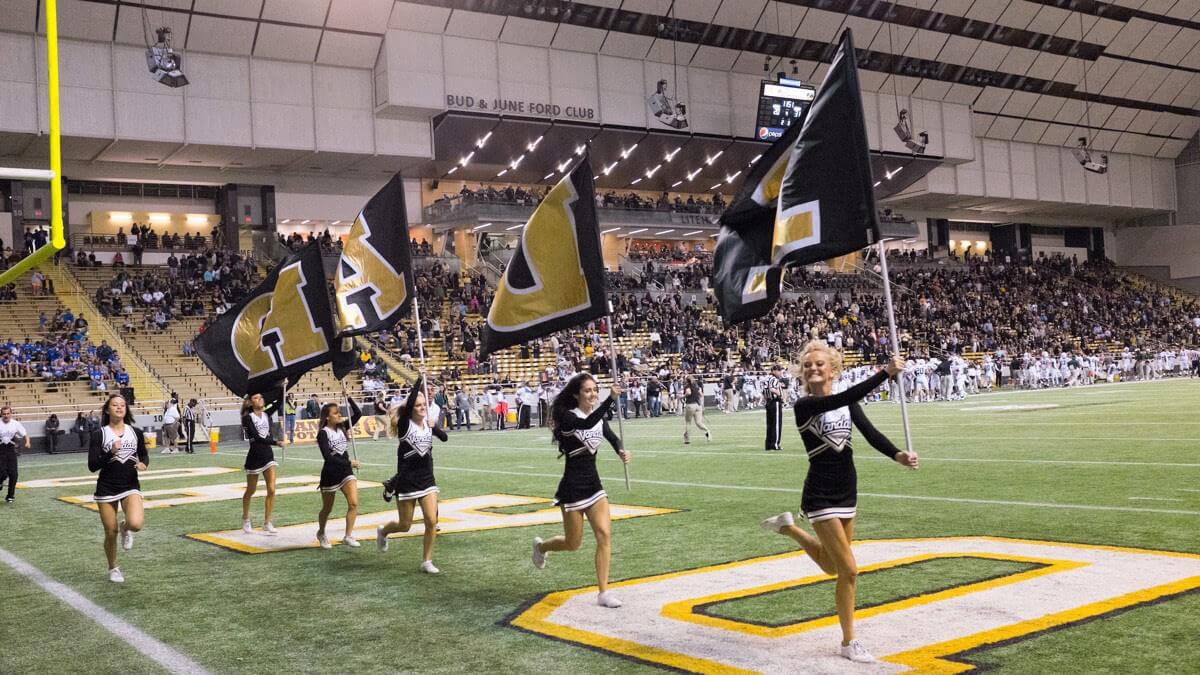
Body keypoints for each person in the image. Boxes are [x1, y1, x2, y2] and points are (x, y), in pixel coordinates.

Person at [761, 343, 918, 663]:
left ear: (832, 369)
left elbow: (870, 432)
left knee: (833, 566)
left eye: (819, 364)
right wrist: (884, 374)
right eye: (807, 366)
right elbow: (842, 398)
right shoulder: (804, 406)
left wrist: (898, 455)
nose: (813, 369)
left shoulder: (846, 401)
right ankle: (849, 642)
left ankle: (789, 529)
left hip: (848, 490)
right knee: (849, 570)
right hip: (820, 495)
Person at [531, 374, 631, 609]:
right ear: (576, 394)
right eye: (588, 391)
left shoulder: (597, 417)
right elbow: (586, 424)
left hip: (594, 485)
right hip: (572, 488)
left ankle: (604, 592)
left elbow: (610, 435)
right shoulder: (567, 417)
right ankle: (541, 547)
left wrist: (621, 451)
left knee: (604, 534)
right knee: (573, 543)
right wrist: (610, 399)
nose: (593, 394)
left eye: (596, 390)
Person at [377, 379, 447, 574]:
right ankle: (383, 532)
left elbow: (445, 438)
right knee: (405, 525)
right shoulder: (405, 425)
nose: (422, 408)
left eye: (424, 404)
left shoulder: (427, 423)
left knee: (432, 521)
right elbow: (409, 404)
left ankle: (427, 561)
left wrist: (435, 427)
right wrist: (420, 378)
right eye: (418, 405)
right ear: (411, 408)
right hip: (407, 481)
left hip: (427, 479)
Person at [88, 395, 148, 583]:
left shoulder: (136, 432)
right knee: (110, 532)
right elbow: (92, 465)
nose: (119, 408)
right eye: (115, 405)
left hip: (130, 484)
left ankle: (125, 528)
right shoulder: (100, 434)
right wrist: (110, 452)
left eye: (122, 405)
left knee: (136, 523)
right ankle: (113, 567)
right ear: (107, 410)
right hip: (106, 487)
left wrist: (144, 464)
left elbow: (144, 455)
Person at [314, 396, 363, 549]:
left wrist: (348, 397)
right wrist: (350, 462)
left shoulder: (343, 427)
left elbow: (358, 414)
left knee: (353, 503)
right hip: (330, 474)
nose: (339, 415)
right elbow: (328, 458)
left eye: (339, 412)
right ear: (327, 417)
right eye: (336, 413)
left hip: (346, 473)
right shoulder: (323, 433)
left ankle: (348, 536)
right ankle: (321, 532)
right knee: (327, 508)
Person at [240, 393, 282, 535]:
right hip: (255, 456)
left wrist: (286, 383)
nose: (260, 399)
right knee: (251, 490)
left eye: (261, 397)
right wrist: (276, 442)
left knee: (271, 490)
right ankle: (245, 518)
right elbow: (257, 438)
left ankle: (267, 522)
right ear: (251, 403)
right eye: (256, 398)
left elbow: (280, 399)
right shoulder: (247, 418)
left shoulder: (267, 415)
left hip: (268, 456)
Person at [0, 407, 30, 503]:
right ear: (1, 414)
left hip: (10, 450)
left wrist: (27, 442)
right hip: (0, 450)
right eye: (4, 414)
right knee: (3, 473)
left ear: (11, 414)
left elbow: (25, 434)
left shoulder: (15, 423)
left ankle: (10, 496)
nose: (6, 416)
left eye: (8, 413)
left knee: (14, 474)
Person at [682, 376, 710, 444]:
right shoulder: (697, 386)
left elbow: (688, 393)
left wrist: (682, 396)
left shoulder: (687, 386)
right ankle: (707, 431)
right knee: (699, 422)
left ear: (686, 380)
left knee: (688, 422)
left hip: (690, 405)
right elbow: (701, 394)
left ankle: (687, 439)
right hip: (698, 405)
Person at [764, 365, 786, 452]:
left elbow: (764, 391)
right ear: (774, 371)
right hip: (775, 401)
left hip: (769, 402)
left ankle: (768, 444)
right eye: (779, 371)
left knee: (770, 424)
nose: (781, 373)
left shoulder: (766, 378)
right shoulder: (773, 379)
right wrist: (779, 394)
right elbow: (772, 389)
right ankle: (775, 444)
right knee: (776, 424)